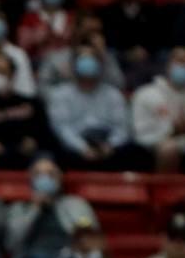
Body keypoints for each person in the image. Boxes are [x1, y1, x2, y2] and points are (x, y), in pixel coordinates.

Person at [45, 42, 138, 171]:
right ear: (73, 64)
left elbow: (123, 128)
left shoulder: (113, 94)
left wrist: (110, 145)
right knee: (58, 152)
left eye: (92, 59)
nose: (88, 63)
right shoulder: (60, 95)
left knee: (133, 151)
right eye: (83, 59)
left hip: (108, 144)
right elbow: (62, 128)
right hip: (76, 146)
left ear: (100, 64)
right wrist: (82, 148)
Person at [7, 157, 96, 258]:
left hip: (67, 257)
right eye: (38, 174)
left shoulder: (76, 204)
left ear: (59, 177)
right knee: (38, 257)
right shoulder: (19, 208)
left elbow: (90, 234)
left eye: (50, 174)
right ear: (30, 178)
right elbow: (11, 243)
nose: (45, 179)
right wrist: (35, 208)